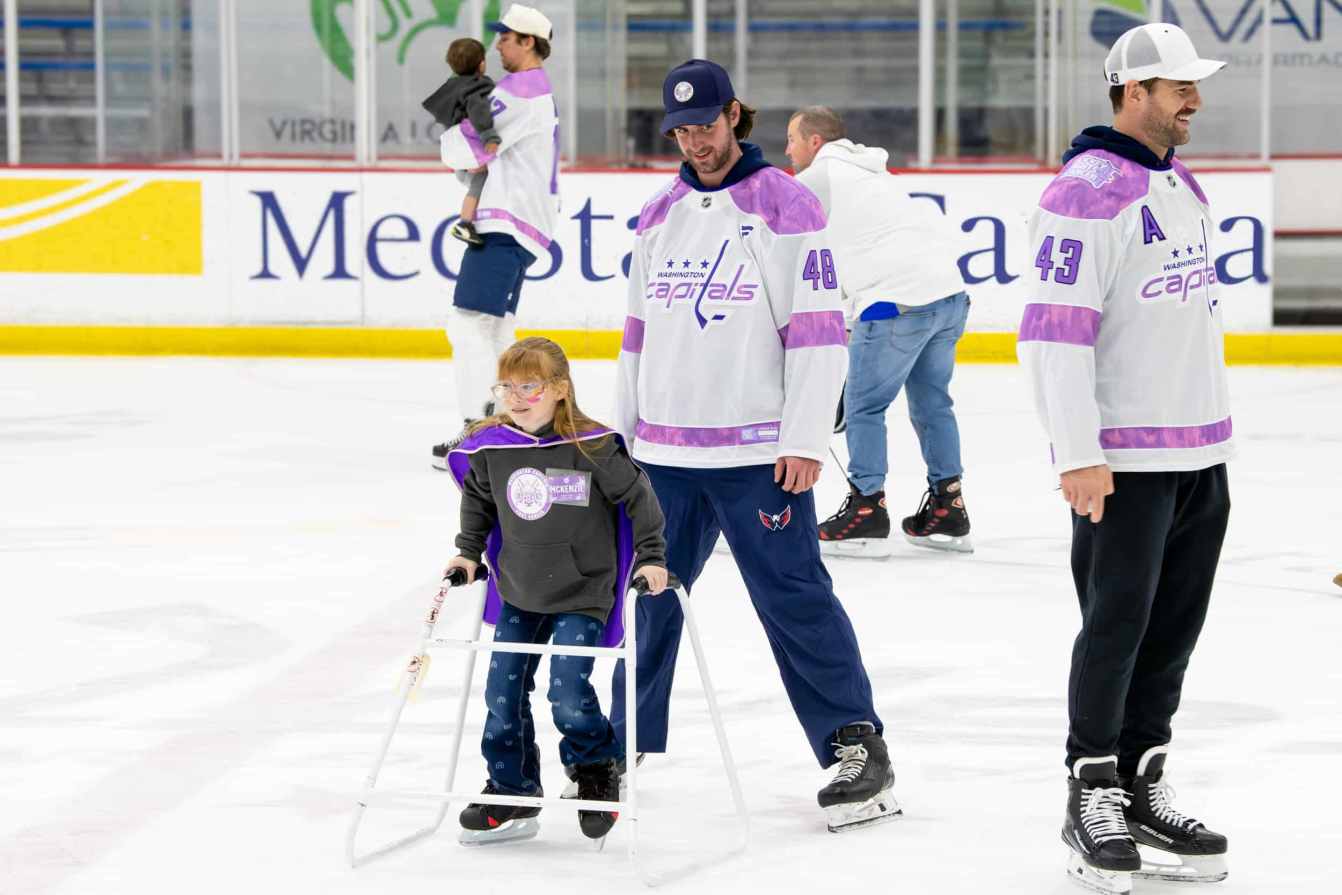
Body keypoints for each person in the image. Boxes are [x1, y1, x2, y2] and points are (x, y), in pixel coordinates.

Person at [610, 58, 898, 834]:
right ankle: (617, 739)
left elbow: (817, 331)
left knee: (793, 597)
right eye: (680, 131)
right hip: (664, 455)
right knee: (646, 599)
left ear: (737, 114)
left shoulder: (787, 206)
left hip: (757, 456)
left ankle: (854, 743)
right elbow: (636, 338)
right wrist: (620, 442)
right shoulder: (658, 214)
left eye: (705, 125)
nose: (694, 142)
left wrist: (805, 435)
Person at [1017, 22, 1233, 893]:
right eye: (1177, 86)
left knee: (1172, 631)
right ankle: (1090, 783)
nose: (1195, 100)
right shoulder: (1084, 193)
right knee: (1116, 626)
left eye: (1193, 85)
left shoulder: (1177, 185)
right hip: (1122, 462)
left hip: (1199, 453)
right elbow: (1052, 335)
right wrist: (1077, 451)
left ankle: (1143, 774)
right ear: (1131, 91)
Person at [446, 337, 669, 843]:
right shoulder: (492, 447)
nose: (516, 397)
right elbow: (478, 504)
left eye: (530, 386)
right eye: (507, 386)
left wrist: (652, 558)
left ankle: (595, 770)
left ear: (560, 390)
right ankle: (512, 789)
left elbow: (641, 500)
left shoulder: (592, 446)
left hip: (583, 592)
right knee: (501, 695)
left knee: (567, 691)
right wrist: (467, 550)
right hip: (521, 592)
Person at [786, 106, 973, 558]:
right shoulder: (871, 172)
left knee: (863, 407)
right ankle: (948, 507)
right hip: (949, 297)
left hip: (896, 303)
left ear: (815, 141)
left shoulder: (822, 175)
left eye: (792, 139)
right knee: (933, 404)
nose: (787, 150)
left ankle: (866, 509)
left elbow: (770, 222)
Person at [432, 4, 561, 470]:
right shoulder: (534, 92)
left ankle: (478, 431)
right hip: (522, 221)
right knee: (494, 327)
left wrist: (452, 141)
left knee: (467, 325)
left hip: (506, 220)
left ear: (528, 42)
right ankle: (505, 425)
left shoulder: (520, 91)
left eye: (506, 37)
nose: (498, 44)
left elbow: (463, 146)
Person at [421, 37, 501, 247]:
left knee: (471, 178)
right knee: (481, 178)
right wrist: (489, 135)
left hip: (451, 146)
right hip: (468, 145)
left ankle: (475, 197)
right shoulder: (477, 87)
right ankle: (464, 223)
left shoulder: (451, 85)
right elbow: (478, 110)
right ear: (482, 63)